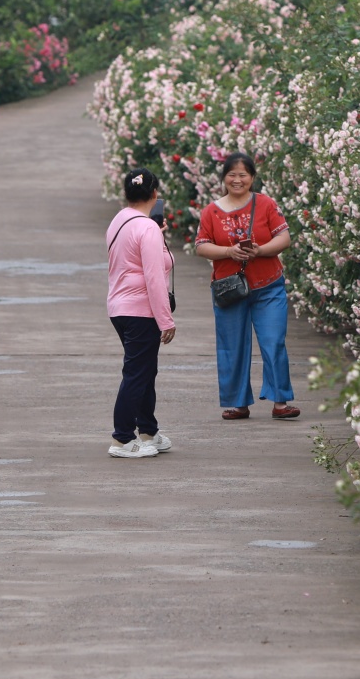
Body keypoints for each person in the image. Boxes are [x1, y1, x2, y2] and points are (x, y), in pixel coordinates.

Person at [194, 152, 299, 421]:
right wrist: (229, 252)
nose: (237, 180)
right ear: (224, 178)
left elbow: (284, 238)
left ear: (252, 178)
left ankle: (280, 401)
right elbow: (201, 246)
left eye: (243, 175)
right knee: (232, 346)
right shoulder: (211, 211)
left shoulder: (266, 204)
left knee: (273, 341)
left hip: (269, 286)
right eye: (232, 175)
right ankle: (238, 403)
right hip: (229, 289)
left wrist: (260, 250)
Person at [106, 169, 176, 459]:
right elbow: (154, 278)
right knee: (137, 374)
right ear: (155, 194)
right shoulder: (147, 228)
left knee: (145, 371)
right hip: (140, 311)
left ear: (126, 193)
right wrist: (166, 320)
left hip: (120, 308)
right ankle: (122, 439)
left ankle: (148, 432)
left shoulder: (119, 221)